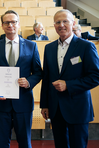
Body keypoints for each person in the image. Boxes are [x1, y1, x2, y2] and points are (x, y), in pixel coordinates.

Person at [0, 10, 42, 148]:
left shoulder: (31, 46)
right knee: (2, 143)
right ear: (2, 25)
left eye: (13, 22)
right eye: (7, 22)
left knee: (25, 143)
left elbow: (38, 72)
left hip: (24, 102)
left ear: (19, 24)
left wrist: (29, 82)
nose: (10, 25)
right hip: (1, 103)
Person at [40, 9, 99, 148]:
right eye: (58, 22)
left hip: (78, 108)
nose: (61, 25)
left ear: (73, 23)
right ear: (54, 25)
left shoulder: (86, 46)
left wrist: (69, 85)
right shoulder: (49, 48)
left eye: (65, 21)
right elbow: (46, 78)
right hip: (55, 108)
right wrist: (45, 104)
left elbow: (96, 76)